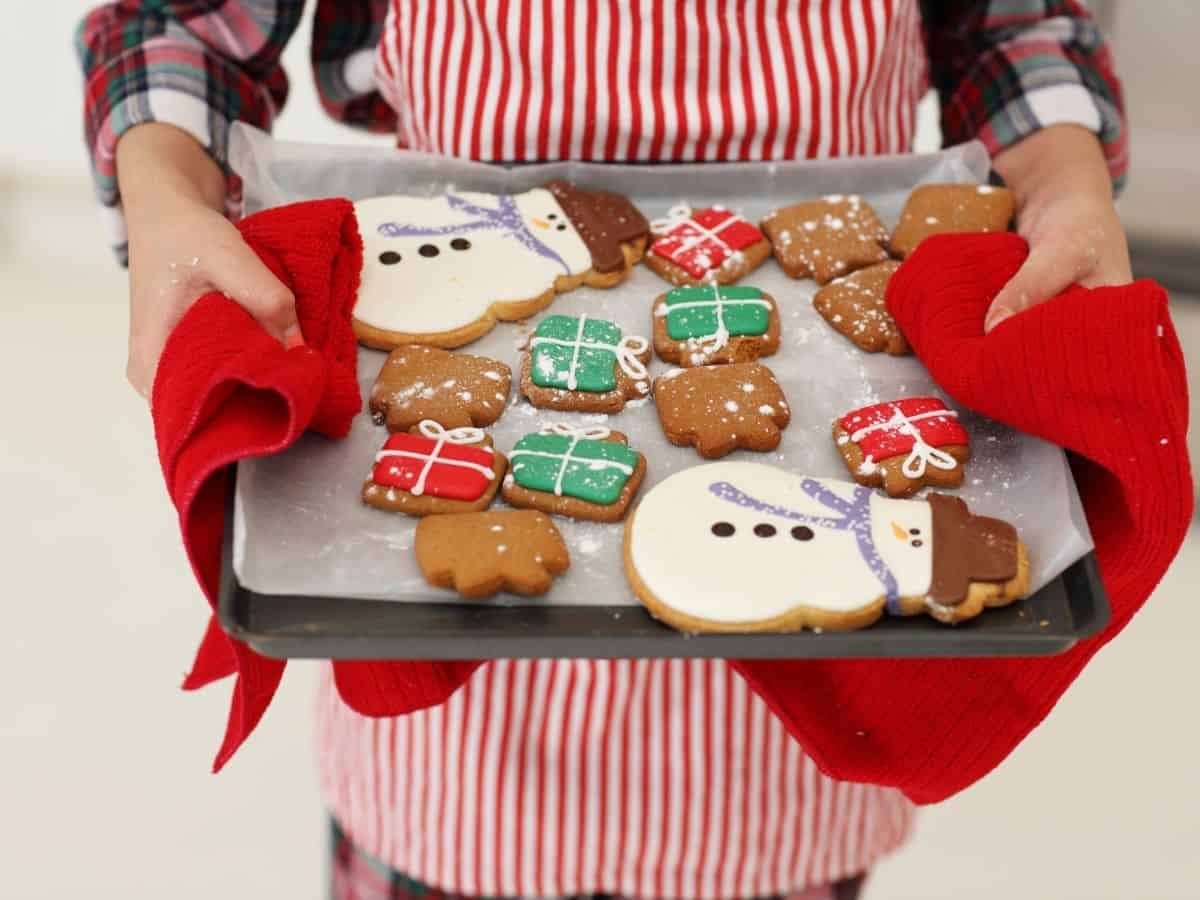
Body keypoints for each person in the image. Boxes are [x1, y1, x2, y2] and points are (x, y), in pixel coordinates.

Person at [77, 2, 1130, 897]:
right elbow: (178, 23)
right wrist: (169, 199)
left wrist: (1061, 179)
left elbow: (1015, 23)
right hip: (447, 698)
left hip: (798, 718)